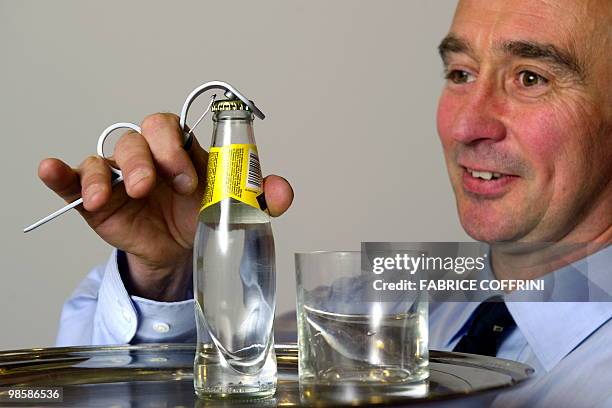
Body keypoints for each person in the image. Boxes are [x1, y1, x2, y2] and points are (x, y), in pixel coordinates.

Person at [39, 0, 610, 405]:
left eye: (530, 78)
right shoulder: (362, 312)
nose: (466, 124)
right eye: (460, 73)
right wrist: (167, 279)